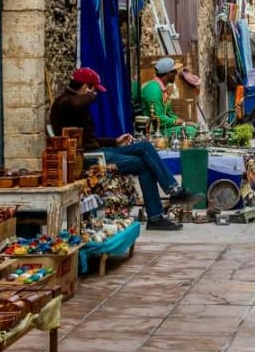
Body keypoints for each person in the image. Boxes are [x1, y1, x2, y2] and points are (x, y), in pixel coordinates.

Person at [49, 67, 197, 231]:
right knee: (144, 164)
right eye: (92, 89)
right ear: (84, 87)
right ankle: (156, 216)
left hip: (97, 150)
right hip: (86, 158)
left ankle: (173, 189)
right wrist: (90, 93)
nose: (95, 94)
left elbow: (91, 140)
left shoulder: (76, 104)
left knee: (145, 147)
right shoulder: (63, 103)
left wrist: (115, 141)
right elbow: (76, 103)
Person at [140, 57, 186, 135]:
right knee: (191, 131)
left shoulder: (162, 89)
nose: (176, 73)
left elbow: (169, 113)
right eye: (174, 71)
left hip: (163, 127)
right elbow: (158, 118)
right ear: (168, 74)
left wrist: (183, 122)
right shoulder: (153, 89)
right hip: (154, 131)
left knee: (193, 127)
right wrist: (175, 122)